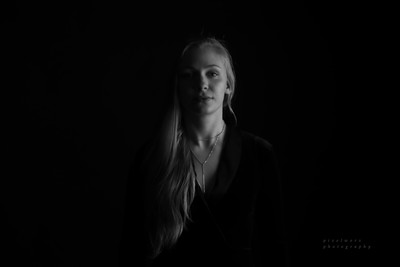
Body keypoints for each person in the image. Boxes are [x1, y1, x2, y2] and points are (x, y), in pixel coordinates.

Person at [119, 37, 288, 267]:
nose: (201, 84)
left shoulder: (259, 154)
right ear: (177, 86)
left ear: (228, 85)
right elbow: (131, 251)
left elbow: (275, 249)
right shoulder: (150, 158)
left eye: (212, 73)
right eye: (189, 74)